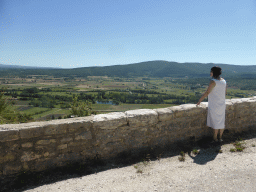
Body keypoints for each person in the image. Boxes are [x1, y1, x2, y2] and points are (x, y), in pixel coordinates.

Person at [197, 66, 227, 142]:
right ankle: (220, 137)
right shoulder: (224, 81)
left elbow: (207, 92)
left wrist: (200, 100)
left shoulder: (213, 81)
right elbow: (225, 93)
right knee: (221, 121)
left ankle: (215, 138)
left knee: (215, 121)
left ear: (213, 73)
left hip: (214, 104)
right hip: (222, 104)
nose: (210, 73)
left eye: (211, 71)